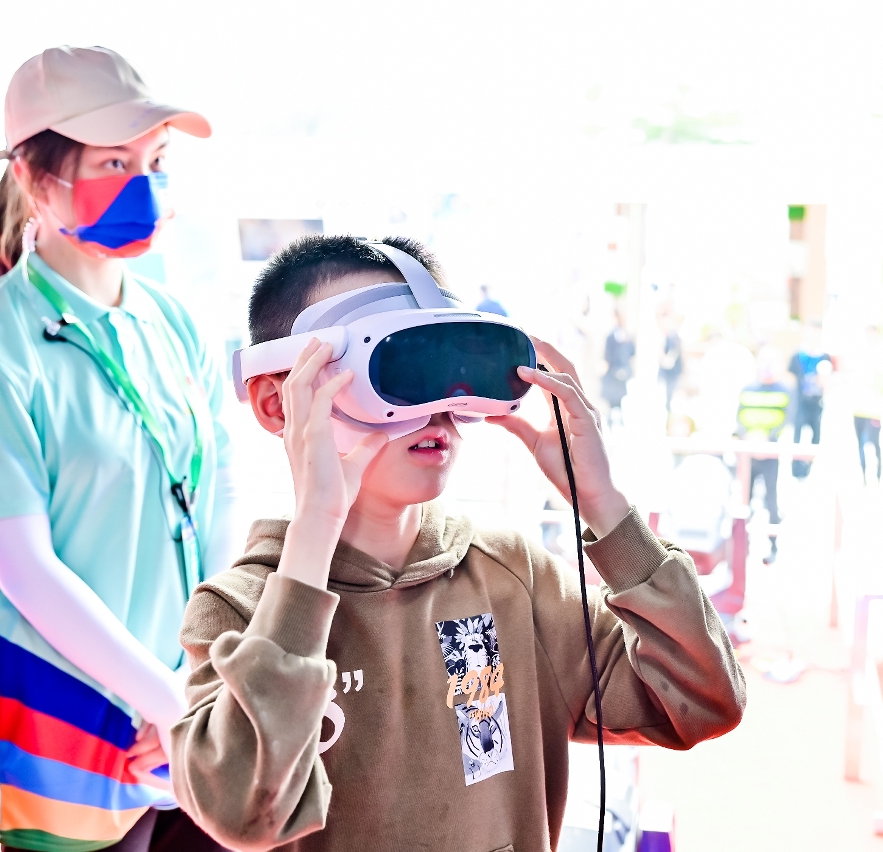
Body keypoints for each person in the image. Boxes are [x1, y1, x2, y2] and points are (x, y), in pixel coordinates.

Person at [170, 236, 745, 851]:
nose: (436, 406)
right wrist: (313, 535)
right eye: (398, 369)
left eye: (447, 367)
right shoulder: (239, 610)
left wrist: (601, 501)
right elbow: (241, 811)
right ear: (276, 403)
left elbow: (703, 699)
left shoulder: (511, 576)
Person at [0, 47, 237, 852]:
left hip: (197, 718)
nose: (145, 185)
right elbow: (25, 571)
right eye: (113, 163)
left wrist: (202, 681)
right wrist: (169, 703)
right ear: (35, 179)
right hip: (72, 727)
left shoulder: (175, 323)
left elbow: (221, 507)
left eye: (155, 162)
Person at [737, 348, 791, 564]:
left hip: (770, 453)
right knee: (744, 501)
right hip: (749, 454)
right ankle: (743, 546)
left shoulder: (784, 391)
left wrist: (768, 439)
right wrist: (749, 438)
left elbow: (787, 420)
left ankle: (773, 547)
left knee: (771, 500)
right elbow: (739, 418)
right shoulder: (748, 389)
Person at [788, 320, 832, 478]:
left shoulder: (824, 357)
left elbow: (828, 382)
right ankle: (796, 469)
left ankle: (809, 468)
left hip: (816, 403)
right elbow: (790, 378)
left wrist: (823, 383)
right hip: (800, 402)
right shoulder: (797, 355)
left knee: (816, 436)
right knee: (797, 436)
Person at [849, 325, 883, 485]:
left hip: (874, 410)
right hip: (858, 408)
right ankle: (864, 477)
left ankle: (878, 475)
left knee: (874, 443)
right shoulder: (859, 354)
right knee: (860, 443)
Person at [601, 309, 635, 426]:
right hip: (614, 371)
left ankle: (617, 420)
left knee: (617, 398)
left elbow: (630, 353)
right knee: (613, 398)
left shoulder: (623, 336)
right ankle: (613, 420)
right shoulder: (615, 335)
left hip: (619, 371)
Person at [657, 309, 683, 414]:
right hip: (668, 373)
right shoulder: (666, 335)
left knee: (669, 399)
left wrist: (662, 358)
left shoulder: (672, 336)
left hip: (671, 374)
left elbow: (670, 359)